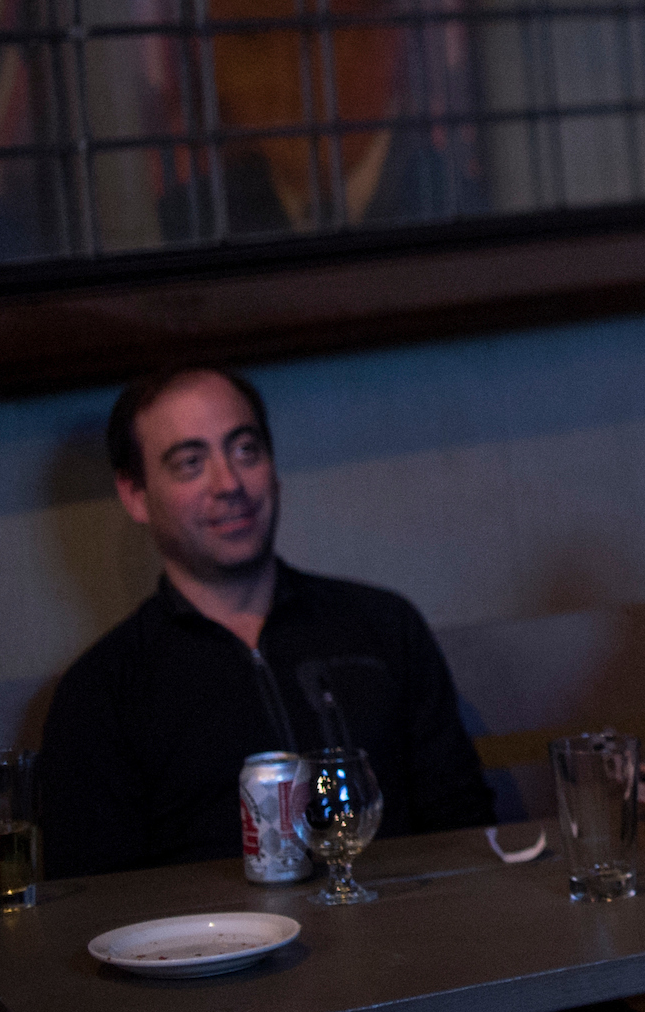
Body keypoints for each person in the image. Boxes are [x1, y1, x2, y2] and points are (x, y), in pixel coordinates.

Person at [38, 367, 494, 879]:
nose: (229, 483)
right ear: (136, 495)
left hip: (403, 937)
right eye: (190, 463)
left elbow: (465, 827)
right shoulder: (104, 691)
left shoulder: (384, 628)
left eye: (245, 451)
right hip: (215, 952)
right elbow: (93, 902)